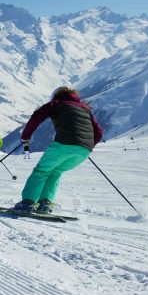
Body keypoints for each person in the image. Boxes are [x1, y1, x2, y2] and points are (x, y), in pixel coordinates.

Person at [13, 86, 103, 214]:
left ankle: (27, 203)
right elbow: (99, 132)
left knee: (41, 172)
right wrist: (85, 145)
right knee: (56, 172)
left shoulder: (56, 103)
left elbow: (36, 117)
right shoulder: (85, 109)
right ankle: (45, 204)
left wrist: (25, 137)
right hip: (84, 150)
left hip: (64, 144)